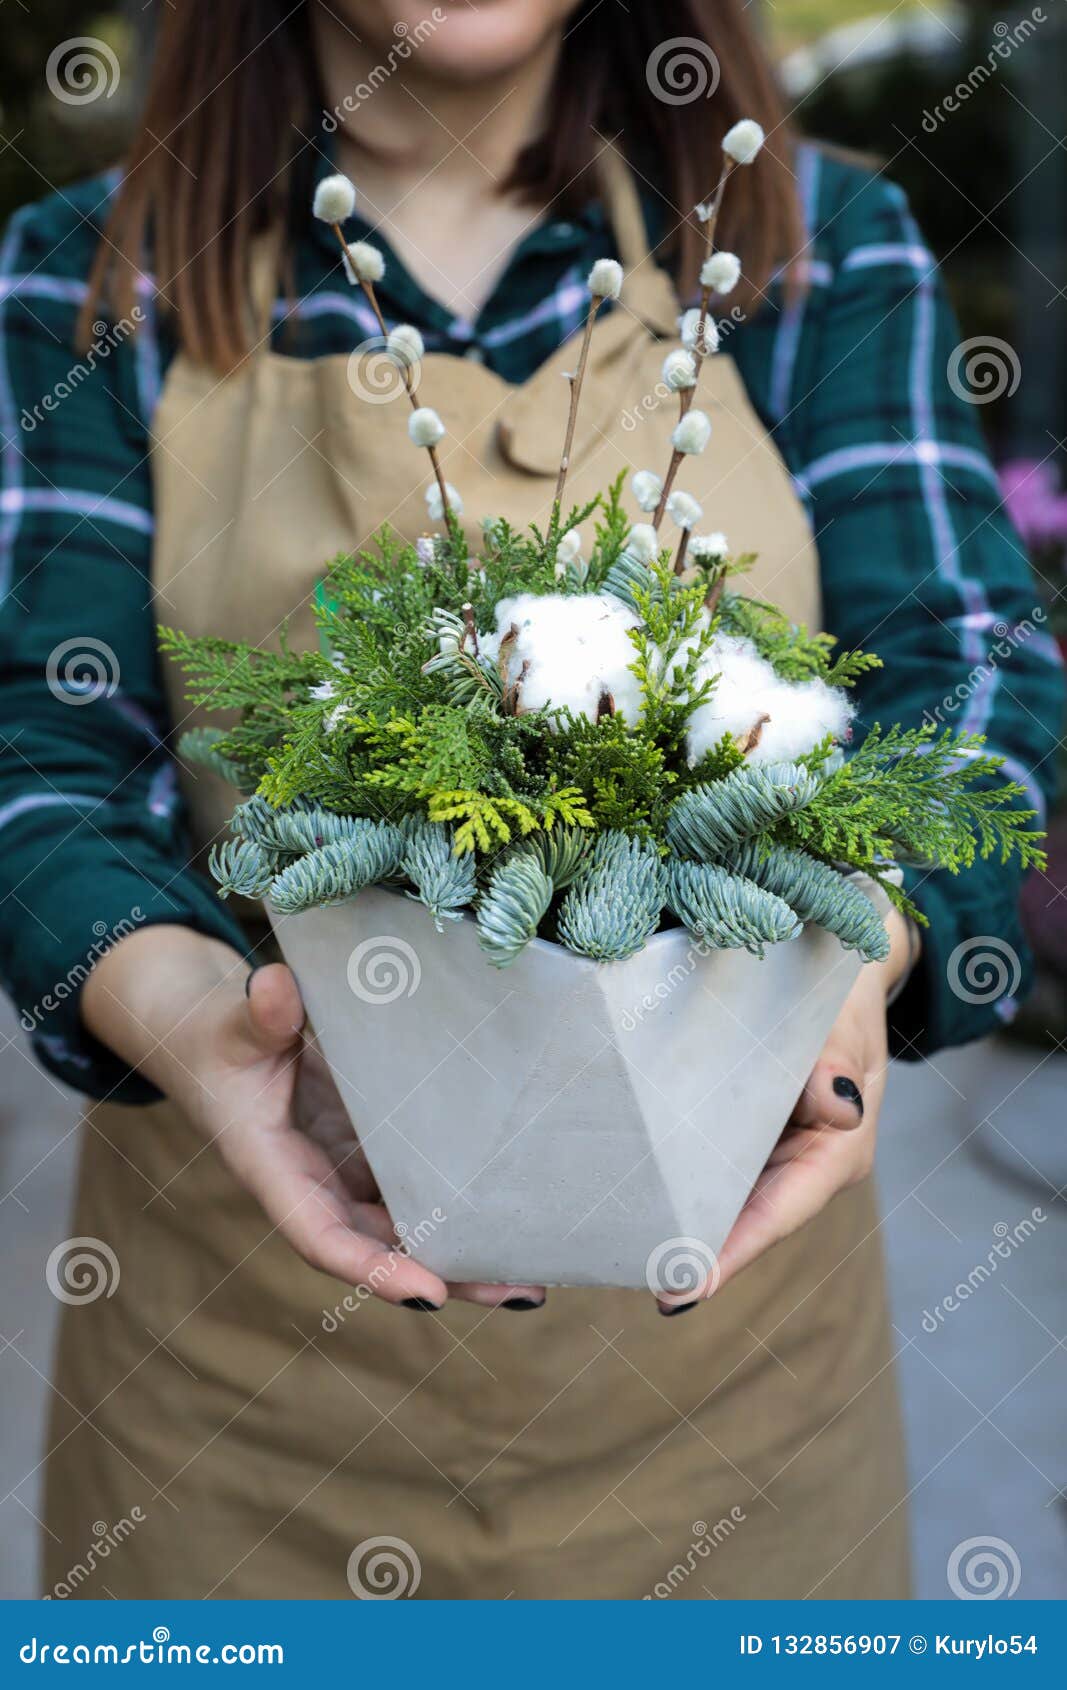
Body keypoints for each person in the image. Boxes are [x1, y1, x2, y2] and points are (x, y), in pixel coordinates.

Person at [0, 0, 1060, 1600]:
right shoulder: (103, 277)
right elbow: (46, 754)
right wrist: (199, 1015)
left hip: (736, 1429)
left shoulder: (807, 245)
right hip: (238, 1419)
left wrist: (865, 957)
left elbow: (966, 667)